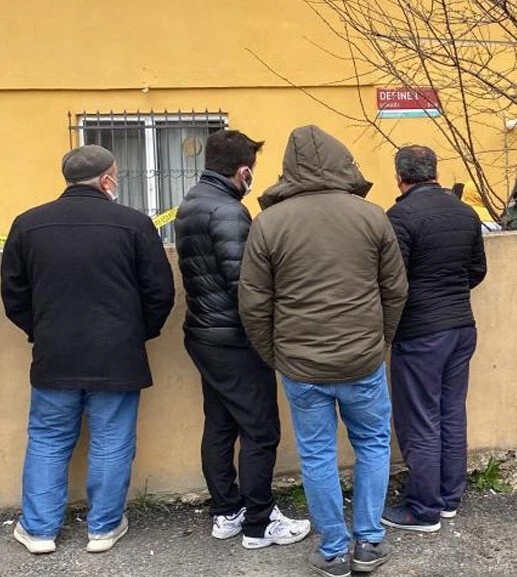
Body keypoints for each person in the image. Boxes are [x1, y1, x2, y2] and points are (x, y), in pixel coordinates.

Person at [239, 125, 409, 577]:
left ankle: (333, 550)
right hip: (362, 359)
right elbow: (395, 291)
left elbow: (254, 303)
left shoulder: (268, 223)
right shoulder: (372, 217)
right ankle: (369, 543)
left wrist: (275, 354)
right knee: (372, 444)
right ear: (340, 162)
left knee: (317, 454)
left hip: (300, 364)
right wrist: (380, 341)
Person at [1, 144, 175, 554]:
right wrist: (136, 334)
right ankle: (104, 527)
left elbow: (13, 294)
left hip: (54, 354)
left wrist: (40, 331)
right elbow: (160, 292)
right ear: (108, 179)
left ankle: (39, 530)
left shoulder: (27, 225)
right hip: (117, 356)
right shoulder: (134, 224)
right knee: (112, 440)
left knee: (47, 439)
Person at [176, 130, 311, 549]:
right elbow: (244, 285)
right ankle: (258, 522)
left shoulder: (190, 203)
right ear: (244, 170)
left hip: (202, 333)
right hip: (234, 339)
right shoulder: (230, 212)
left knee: (220, 425)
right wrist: (269, 334)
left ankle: (226, 512)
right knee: (260, 430)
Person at [381, 146, 487, 533]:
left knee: (420, 420)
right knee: (451, 413)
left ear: (399, 177)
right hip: (461, 325)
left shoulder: (400, 216)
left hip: (421, 331)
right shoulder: (465, 212)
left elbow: (394, 280)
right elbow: (477, 269)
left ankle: (423, 509)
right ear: (434, 172)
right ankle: (448, 498)